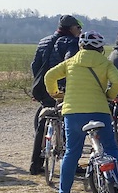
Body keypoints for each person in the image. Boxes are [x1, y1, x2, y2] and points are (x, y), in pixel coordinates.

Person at [43, 30, 118, 193]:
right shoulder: (104, 62)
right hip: (99, 111)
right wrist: (110, 95)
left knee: (72, 152)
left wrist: (56, 93)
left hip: (73, 113)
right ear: (101, 48)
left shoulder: (71, 61)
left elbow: (49, 76)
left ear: (81, 45)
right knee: (111, 147)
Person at [30, 14, 82, 175]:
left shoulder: (43, 41)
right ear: (71, 28)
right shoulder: (71, 42)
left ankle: (35, 164)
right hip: (61, 88)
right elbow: (69, 65)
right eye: (78, 28)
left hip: (42, 87)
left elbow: (35, 65)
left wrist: (39, 82)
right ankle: (71, 164)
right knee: (69, 122)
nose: (80, 31)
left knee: (43, 121)